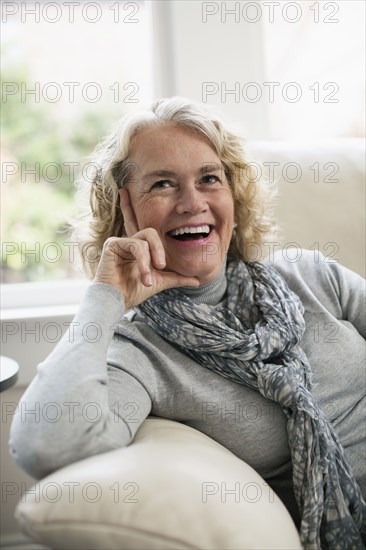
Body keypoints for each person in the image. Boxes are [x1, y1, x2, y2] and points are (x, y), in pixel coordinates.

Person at [10, 97, 366, 549]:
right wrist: (104, 298)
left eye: (209, 179)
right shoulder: (141, 351)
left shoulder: (312, 276)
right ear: (125, 211)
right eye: (162, 184)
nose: (192, 203)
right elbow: (47, 445)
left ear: (233, 195)